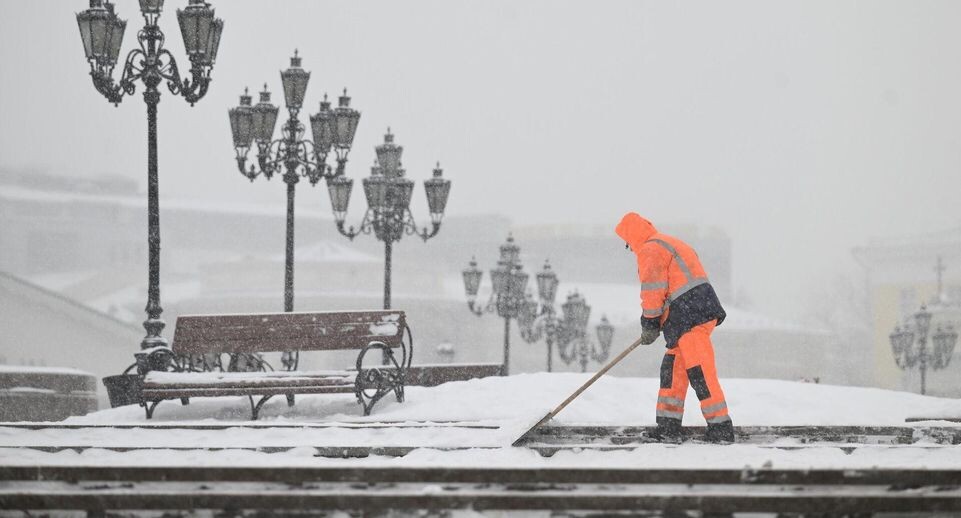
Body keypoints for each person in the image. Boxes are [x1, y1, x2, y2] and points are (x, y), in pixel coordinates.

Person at [614, 212, 735, 443]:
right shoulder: (667, 242)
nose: (629, 249)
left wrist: (650, 323)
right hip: (687, 315)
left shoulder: (650, 249)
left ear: (632, 237)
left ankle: (720, 428)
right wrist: (657, 322)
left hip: (691, 315)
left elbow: (653, 291)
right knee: (673, 370)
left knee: (699, 369)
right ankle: (668, 426)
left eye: (627, 243)